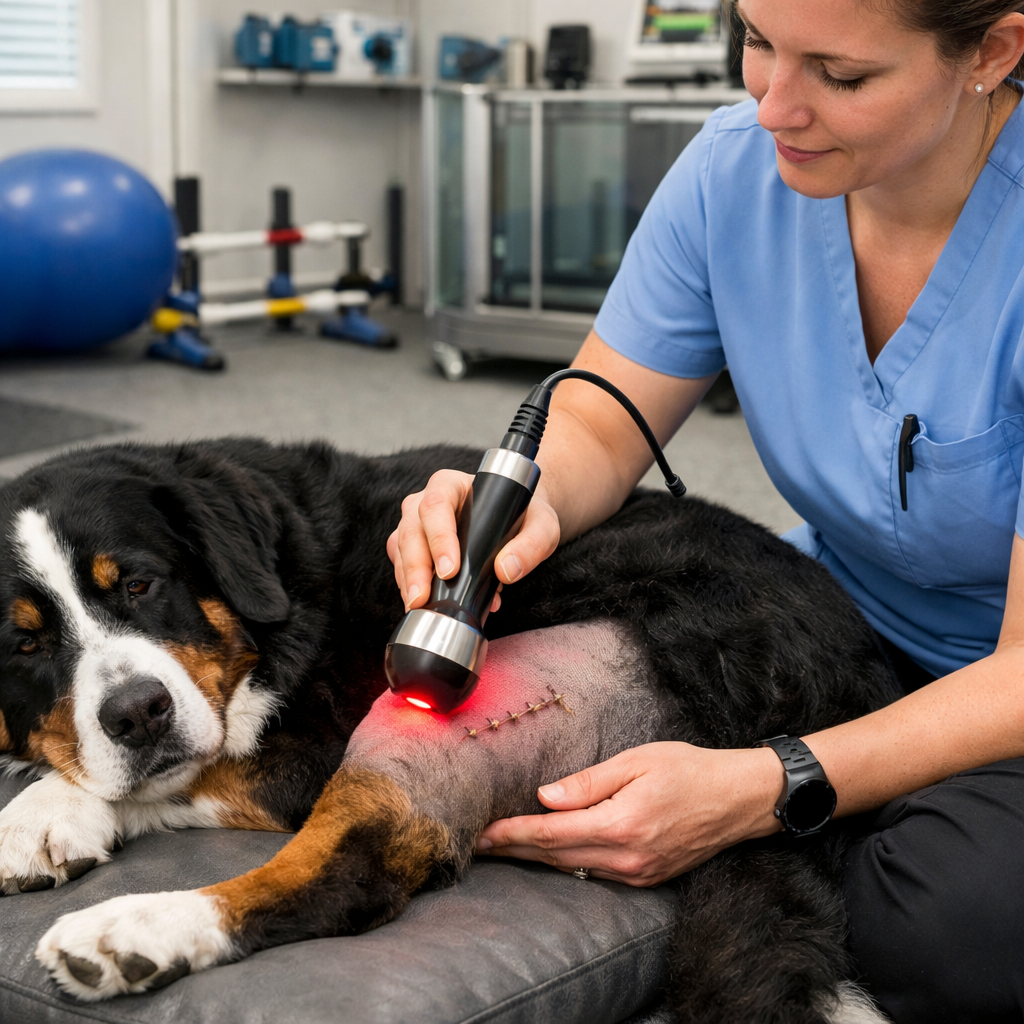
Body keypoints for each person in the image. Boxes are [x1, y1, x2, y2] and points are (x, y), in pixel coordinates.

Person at [389, 0, 1024, 1019]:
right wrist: (521, 498)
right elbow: (600, 424)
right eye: (755, 44)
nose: (773, 105)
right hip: (840, 615)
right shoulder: (734, 171)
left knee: (955, 923)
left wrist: (767, 785)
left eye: (840, 76)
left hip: (1007, 687)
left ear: (991, 51)